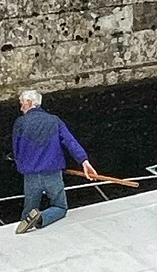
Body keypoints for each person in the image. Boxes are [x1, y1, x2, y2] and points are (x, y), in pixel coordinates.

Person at [11, 88, 96, 232]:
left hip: (30, 175)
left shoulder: (20, 123)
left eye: (21, 104)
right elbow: (70, 142)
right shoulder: (54, 120)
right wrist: (84, 161)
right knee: (60, 207)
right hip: (52, 173)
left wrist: (21, 165)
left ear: (29, 102)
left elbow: (16, 148)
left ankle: (28, 221)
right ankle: (42, 218)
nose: (21, 108)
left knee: (28, 211)